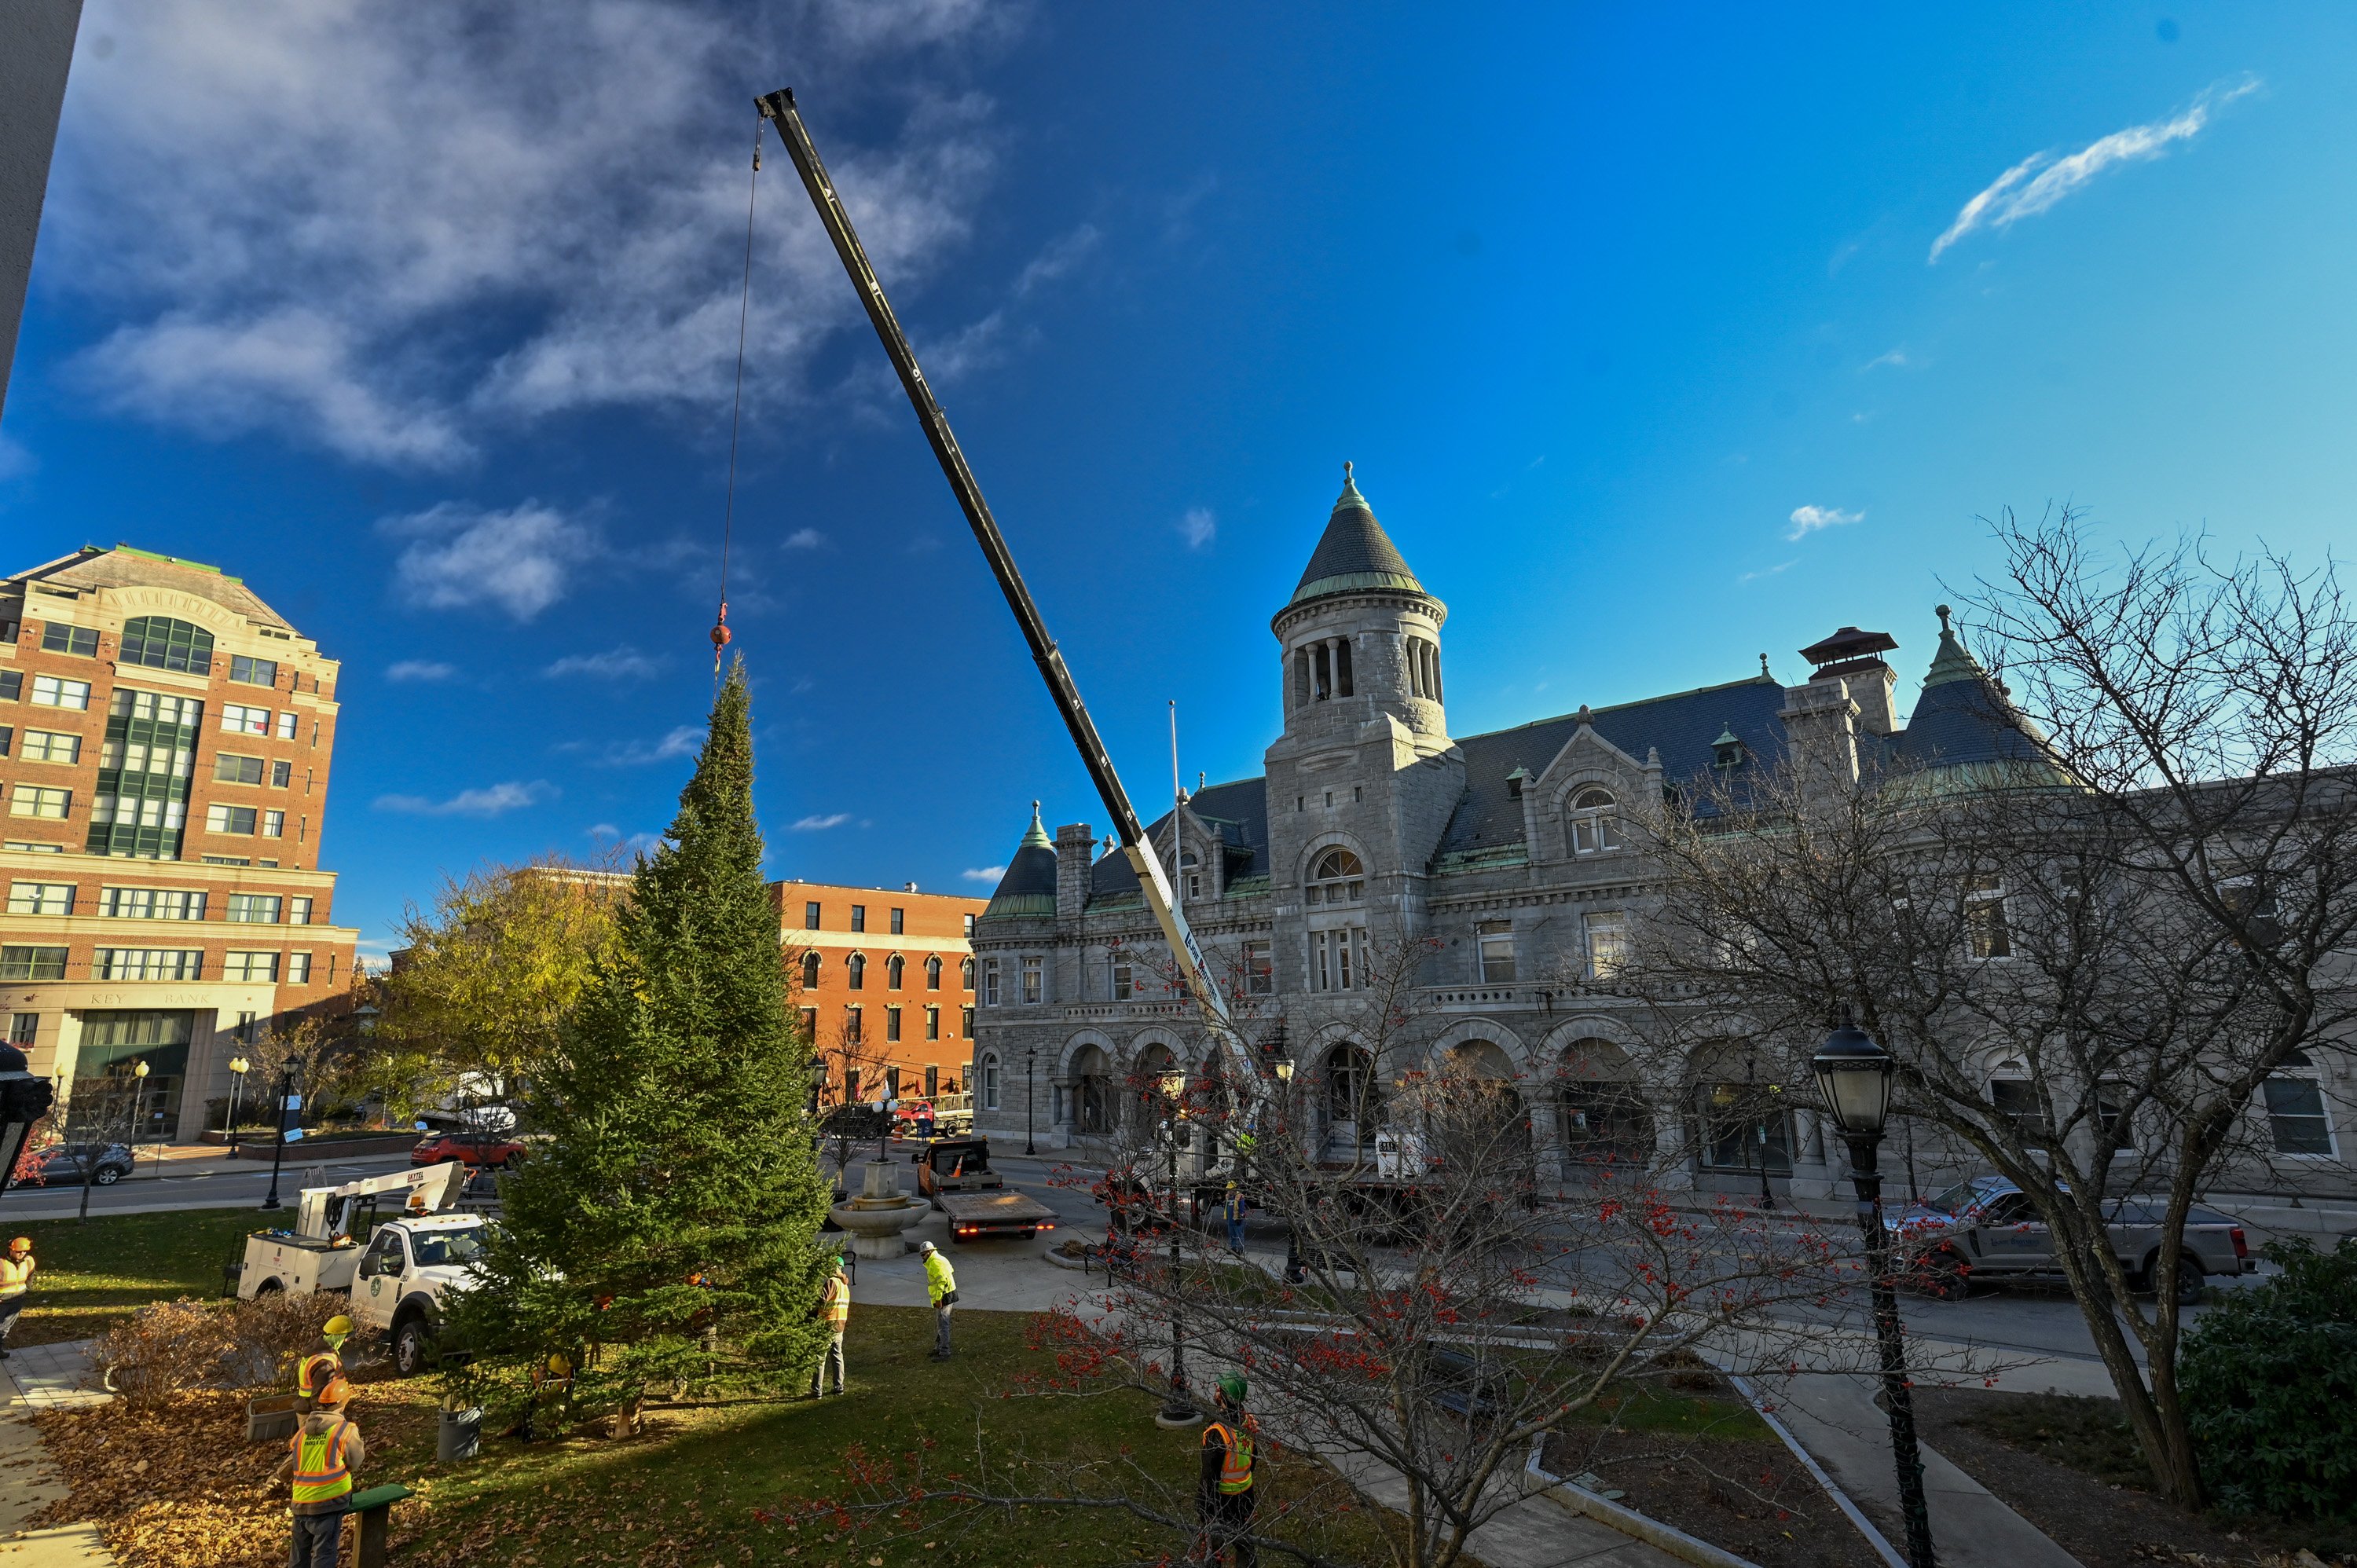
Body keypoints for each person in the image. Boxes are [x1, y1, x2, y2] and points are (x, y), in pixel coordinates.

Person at [276, 1372, 365, 1568]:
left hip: (301, 1503)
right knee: (323, 1555)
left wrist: (275, 1479)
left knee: (299, 1558)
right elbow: (355, 1461)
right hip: (329, 1503)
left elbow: (288, 1467)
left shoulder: (302, 1434)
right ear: (343, 1403)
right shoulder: (345, 1431)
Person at [1198, 1371, 1258, 1566]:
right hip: (1246, 1499)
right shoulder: (1249, 1423)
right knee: (1246, 1548)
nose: (1216, 1392)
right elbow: (1253, 1460)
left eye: (1219, 1389)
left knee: (1215, 1551)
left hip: (1221, 1503)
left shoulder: (1218, 1433)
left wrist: (1204, 1508)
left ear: (1224, 1396)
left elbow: (1208, 1476)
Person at [810, 1256, 850, 1396]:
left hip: (828, 1324)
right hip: (840, 1325)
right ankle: (838, 1387)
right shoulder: (845, 1286)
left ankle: (817, 1390)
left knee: (820, 1357)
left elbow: (822, 1300)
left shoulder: (832, 1283)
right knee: (837, 1356)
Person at [295, 1313, 353, 1411]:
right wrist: (321, 1419)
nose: (346, 1341)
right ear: (338, 1337)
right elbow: (319, 1395)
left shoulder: (317, 1349)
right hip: (315, 1412)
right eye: (345, 1337)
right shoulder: (325, 1362)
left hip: (308, 1407)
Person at [918, 1240, 957, 1359]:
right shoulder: (940, 1259)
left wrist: (939, 1299)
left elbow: (942, 1282)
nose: (922, 1258)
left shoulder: (935, 1262)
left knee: (943, 1324)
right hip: (948, 1294)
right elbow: (951, 1270)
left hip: (944, 1297)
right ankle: (939, 1348)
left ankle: (945, 1352)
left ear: (929, 1252)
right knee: (941, 1323)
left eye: (923, 1254)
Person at [0, 1236, 33, 1357]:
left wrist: (26, 1290)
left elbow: (30, 1276)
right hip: (2, 1300)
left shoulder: (29, 1261)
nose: (22, 1254)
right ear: (11, 1250)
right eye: (19, 1251)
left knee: (6, 1327)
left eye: (24, 1251)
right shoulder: (1, 1263)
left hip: (17, 1299)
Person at [1222, 1183, 1248, 1255]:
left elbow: (1242, 1209)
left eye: (1230, 1189)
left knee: (1239, 1234)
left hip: (1237, 1220)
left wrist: (1240, 1217)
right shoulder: (1228, 1197)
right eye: (1228, 1190)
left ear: (1234, 1189)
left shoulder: (1239, 1197)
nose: (1229, 1191)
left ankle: (1240, 1249)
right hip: (1230, 1220)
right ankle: (1233, 1248)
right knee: (1232, 1234)